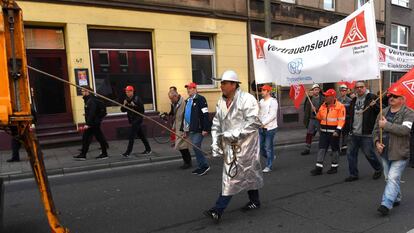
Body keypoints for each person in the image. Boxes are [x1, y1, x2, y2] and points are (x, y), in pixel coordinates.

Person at [204, 70, 263, 223]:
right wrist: (215, 143)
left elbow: (254, 122)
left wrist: (233, 134)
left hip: (246, 145)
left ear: (234, 84)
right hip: (229, 145)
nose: (221, 86)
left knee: (230, 176)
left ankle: (218, 210)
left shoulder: (247, 99)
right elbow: (217, 123)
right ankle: (255, 201)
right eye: (221, 83)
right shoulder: (221, 101)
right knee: (248, 173)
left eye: (224, 83)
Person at [373, 85, 414, 216]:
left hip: (400, 152)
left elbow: (405, 130)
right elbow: (375, 130)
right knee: (390, 179)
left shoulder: (409, 113)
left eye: (395, 96)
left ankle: (386, 203)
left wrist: (387, 125)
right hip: (384, 152)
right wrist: (377, 143)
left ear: (402, 99)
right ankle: (396, 197)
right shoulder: (383, 111)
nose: (392, 98)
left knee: (392, 177)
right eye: (390, 95)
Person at [344, 81, 382, 182]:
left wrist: (375, 106)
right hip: (354, 133)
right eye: (357, 87)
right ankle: (353, 174)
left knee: (369, 154)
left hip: (367, 133)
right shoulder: (354, 100)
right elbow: (351, 115)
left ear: (365, 87)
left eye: (361, 87)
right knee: (350, 154)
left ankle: (378, 169)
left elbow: (382, 111)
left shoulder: (372, 97)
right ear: (355, 89)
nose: (359, 89)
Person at [310, 89, 345, 176]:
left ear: (332, 97)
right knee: (321, 149)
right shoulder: (323, 106)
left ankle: (334, 167)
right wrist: (314, 111)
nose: (325, 97)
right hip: (324, 132)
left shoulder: (340, 106)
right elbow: (319, 117)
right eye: (325, 96)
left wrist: (338, 130)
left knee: (334, 150)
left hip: (334, 132)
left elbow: (342, 120)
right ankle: (318, 168)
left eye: (327, 96)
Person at [182, 82, 211, 176]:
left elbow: (205, 114)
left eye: (190, 88)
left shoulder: (201, 99)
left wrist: (205, 128)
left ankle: (205, 166)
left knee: (196, 146)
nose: (188, 90)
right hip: (192, 128)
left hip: (199, 128)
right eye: (187, 88)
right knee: (195, 147)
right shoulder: (188, 101)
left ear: (195, 89)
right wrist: (185, 130)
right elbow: (186, 116)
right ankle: (201, 166)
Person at [74, 87, 108, 160]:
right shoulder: (88, 99)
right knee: (87, 138)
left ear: (87, 92)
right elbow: (90, 112)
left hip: (93, 123)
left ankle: (104, 153)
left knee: (96, 138)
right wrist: (86, 115)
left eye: (83, 91)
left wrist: (88, 124)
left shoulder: (91, 100)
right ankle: (83, 154)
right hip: (93, 122)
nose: (81, 92)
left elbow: (92, 113)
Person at [120, 85, 152, 157]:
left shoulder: (137, 99)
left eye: (128, 91)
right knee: (141, 135)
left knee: (131, 136)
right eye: (126, 92)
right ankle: (148, 149)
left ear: (132, 91)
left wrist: (134, 106)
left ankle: (128, 152)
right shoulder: (126, 99)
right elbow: (123, 110)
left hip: (137, 119)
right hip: (132, 119)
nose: (127, 93)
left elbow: (141, 111)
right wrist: (124, 105)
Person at [168, 90, 192, 169]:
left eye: (171, 98)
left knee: (183, 146)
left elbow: (187, 117)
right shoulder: (175, 103)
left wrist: (186, 129)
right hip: (178, 127)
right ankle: (187, 162)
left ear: (175, 96)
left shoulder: (184, 103)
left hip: (183, 127)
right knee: (181, 146)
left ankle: (187, 162)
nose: (171, 100)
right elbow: (174, 115)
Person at [258, 84, 278, 173]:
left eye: (263, 90)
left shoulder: (273, 101)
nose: (261, 92)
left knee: (268, 148)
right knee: (261, 148)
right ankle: (271, 156)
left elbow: (273, 115)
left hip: (270, 128)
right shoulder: (261, 101)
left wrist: (263, 123)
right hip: (261, 128)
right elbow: (259, 113)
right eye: (261, 90)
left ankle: (268, 165)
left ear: (268, 92)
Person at [302, 84, 324, 155]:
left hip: (319, 119)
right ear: (313, 91)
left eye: (317, 89)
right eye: (315, 90)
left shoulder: (323, 99)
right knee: (309, 133)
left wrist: (316, 110)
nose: (316, 91)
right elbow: (306, 108)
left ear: (319, 90)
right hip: (311, 119)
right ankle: (307, 148)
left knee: (322, 134)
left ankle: (323, 148)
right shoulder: (309, 98)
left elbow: (324, 109)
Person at [337, 84, 352, 154]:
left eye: (344, 91)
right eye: (341, 91)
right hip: (338, 120)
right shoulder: (337, 100)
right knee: (338, 134)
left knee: (345, 134)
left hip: (346, 119)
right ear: (340, 91)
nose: (343, 92)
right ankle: (336, 149)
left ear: (346, 92)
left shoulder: (350, 100)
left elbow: (350, 110)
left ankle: (344, 148)